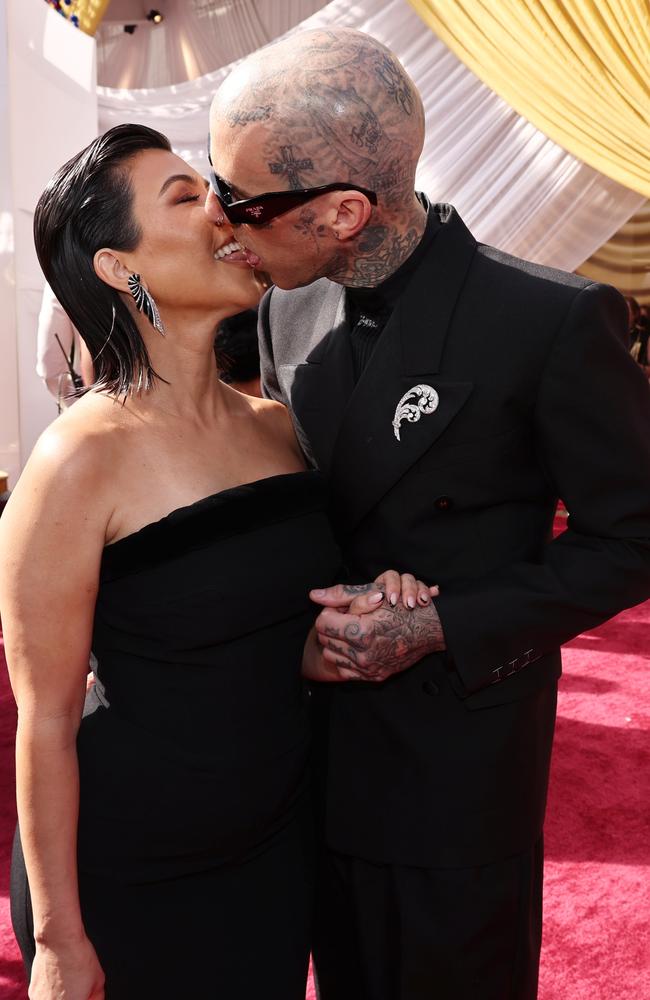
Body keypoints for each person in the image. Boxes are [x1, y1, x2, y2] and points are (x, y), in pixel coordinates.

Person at [206, 27, 650, 1000]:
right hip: (302, 754)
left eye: (240, 201)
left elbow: (632, 538)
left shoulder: (549, 321)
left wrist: (440, 622)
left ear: (342, 211)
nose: (219, 223)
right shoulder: (284, 310)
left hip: (454, 764)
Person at [1, 123, 431, 1000]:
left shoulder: (278, 426)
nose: (223, 210)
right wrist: (57, 940)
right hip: (132, 869)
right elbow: (44, 720)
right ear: (120, 268)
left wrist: (364, 621)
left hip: (275, 850)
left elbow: (275, 644)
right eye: (186, 197)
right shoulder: (76, 460)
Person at [36, 282, 94, 409]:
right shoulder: (141, 268)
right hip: (145, 406)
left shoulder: (63, 271)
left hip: (93, 403)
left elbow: (50, 370)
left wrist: (76, 403)